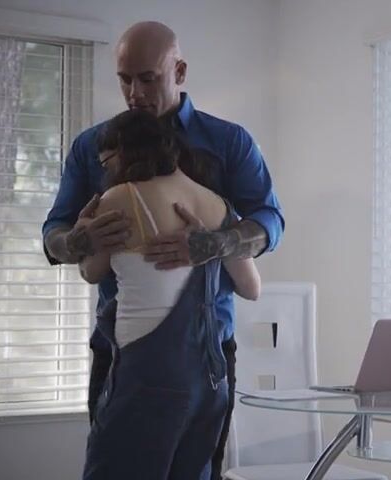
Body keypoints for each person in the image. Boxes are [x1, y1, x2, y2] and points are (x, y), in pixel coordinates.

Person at [41, 21, 284, 479]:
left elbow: (270, 219)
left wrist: (216, 243)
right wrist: (77, 241)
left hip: (212, 351)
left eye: (147, 79)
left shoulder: (229, 142)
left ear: (180, 71)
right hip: (121, 354)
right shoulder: (92, 146)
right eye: (124, 79)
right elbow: (55, 229)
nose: (134, 93)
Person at [80, 109, 257, 479]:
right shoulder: (216, 203)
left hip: (148, 374)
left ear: (123, 153)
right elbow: (251, 288)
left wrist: (83, 231)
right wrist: (210, 245)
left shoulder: (120, 198)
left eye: (106, 163)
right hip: (210, 379)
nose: (106, 171)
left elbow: (91, 271)